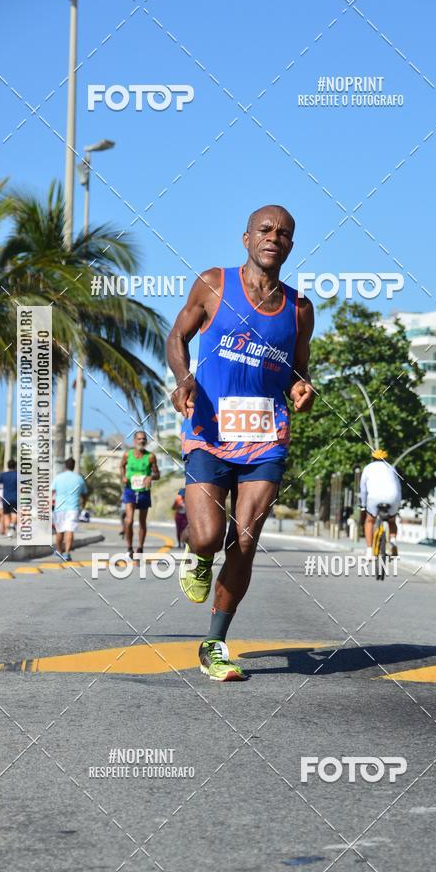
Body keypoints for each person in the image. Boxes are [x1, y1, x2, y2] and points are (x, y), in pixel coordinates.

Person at [167, 204, 315, 682]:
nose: (274, 237)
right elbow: (177, 337)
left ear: (291, 245)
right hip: (209, 433)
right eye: (265, 229)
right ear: (246, 238)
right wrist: (184, 378)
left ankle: (214, 642)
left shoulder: (299, 309)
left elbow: (298, 371)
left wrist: (302, 388)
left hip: (265, 438)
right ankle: (199, 555)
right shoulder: (213, 284)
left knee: (245, 541)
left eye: (284, 233)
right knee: (208, 536)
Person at [120, 430, 160, 558]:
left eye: (144, 439)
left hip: (144, 491)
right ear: (134, 441)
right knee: (129, 520)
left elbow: (157, 474)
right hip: (130, 489)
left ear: (146, 441)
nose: (141, 441)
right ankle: (129, 548)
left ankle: (140, 548)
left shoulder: (150, 456)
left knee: (142, 522)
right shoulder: (128, 454)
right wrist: (123, 476)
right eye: (139, 439)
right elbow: (122, 467)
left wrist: (151, 477)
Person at [359, 450, 402, 558]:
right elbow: (398, 487)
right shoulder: (391, 468)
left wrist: (363, 505)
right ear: (385, 458)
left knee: (369, 521)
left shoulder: (368, 468)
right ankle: (393, 542)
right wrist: (398, 504)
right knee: (392, 521)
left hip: (374, 497)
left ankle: (369, 551)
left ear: (372, 458)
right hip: (393, 497)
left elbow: (363, 490)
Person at [52, 457, 88, 562]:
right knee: (70, 530)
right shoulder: (79, 479)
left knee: (59, 530)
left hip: (59, 508)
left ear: (65, 466)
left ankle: (59, 550)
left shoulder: (58, 477)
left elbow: (52, 492)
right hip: (73, 508)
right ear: (74, 466)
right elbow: (84, 495)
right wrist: (83, 505)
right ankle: (67, 553)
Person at [0, 459, 18, 538]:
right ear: (15, 466)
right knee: (14, 513)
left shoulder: (3, 475)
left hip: (5, 498)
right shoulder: (18, 475)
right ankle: (12, 525)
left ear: (8, 466)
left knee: (6, 514)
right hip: (15, 498)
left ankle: (8, 531)